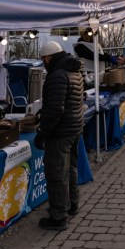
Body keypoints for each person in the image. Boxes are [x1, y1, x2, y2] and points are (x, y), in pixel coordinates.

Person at [34, 41, 85, 231]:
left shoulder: (57, 74)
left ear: (48, 57)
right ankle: (72, 204)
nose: (44, 62)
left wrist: (42, 132)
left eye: (43, 59)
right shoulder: (74, 69)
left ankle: (58, 216)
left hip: (60, 132)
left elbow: (55, 109)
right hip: (75, 127)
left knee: (56, 173)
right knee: (70, 168)